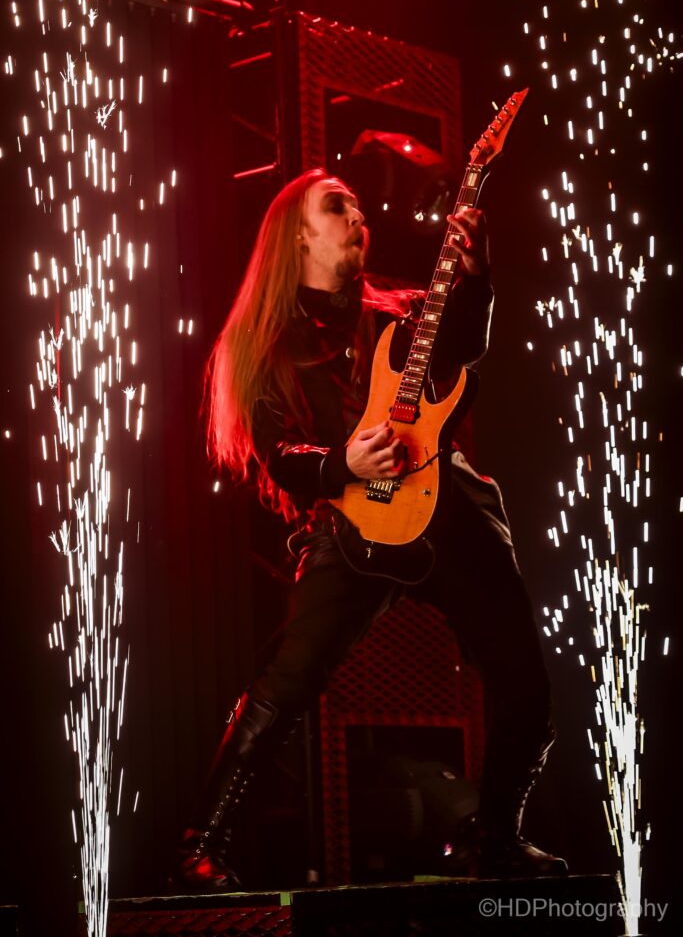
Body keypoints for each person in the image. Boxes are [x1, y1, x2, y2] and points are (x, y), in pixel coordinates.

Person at [175, 167, 567, 891]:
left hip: (442, 505)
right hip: (351, 520)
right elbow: (277, 452)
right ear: (297, 235)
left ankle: (497, 840)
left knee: (524, 679)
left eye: (359, 206)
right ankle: (203, 846)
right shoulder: (262, 344)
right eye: (337, 207)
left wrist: (476, 278)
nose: (358, 215)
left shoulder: (399, 311)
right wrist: (339, 464)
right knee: (285, 682)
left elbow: (461, 350)